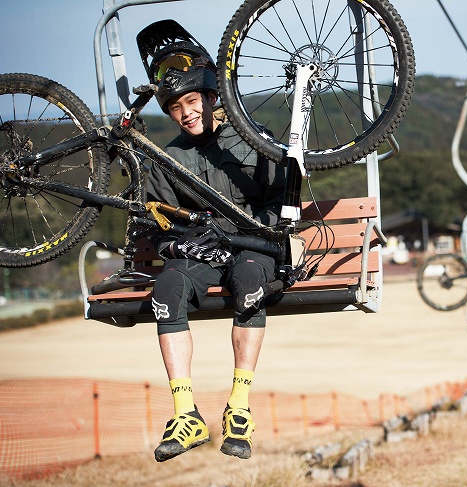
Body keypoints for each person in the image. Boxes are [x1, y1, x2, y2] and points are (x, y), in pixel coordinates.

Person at [137, 20, 286, 462]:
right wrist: (176, 245)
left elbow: (281, 199)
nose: (186, 113)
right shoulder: (167, 159)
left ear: (211, 96)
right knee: (167, 288)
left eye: (191, 100)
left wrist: (264, 231)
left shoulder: (250, 138)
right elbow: (158, 221)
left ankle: (238, 408)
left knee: (250, 283)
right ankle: (187, 415)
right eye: (176, 107)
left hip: (252, 247)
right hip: (203, 249)